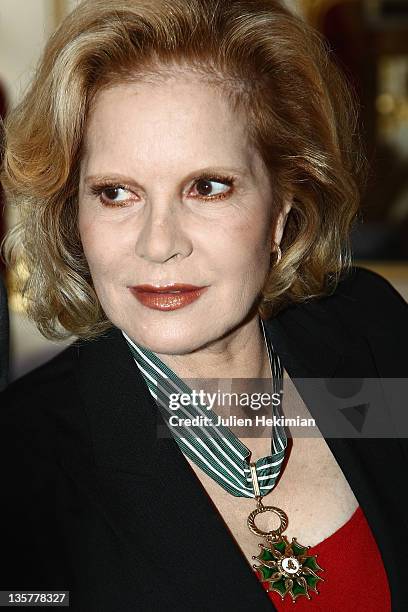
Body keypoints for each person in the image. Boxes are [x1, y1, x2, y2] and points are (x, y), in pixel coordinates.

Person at [0, 1, 407, 610]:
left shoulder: (364, 335)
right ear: (72, 213)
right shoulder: (24, 464)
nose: (158, 243)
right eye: (116, 194)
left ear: (282, 206)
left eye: (208, 187)